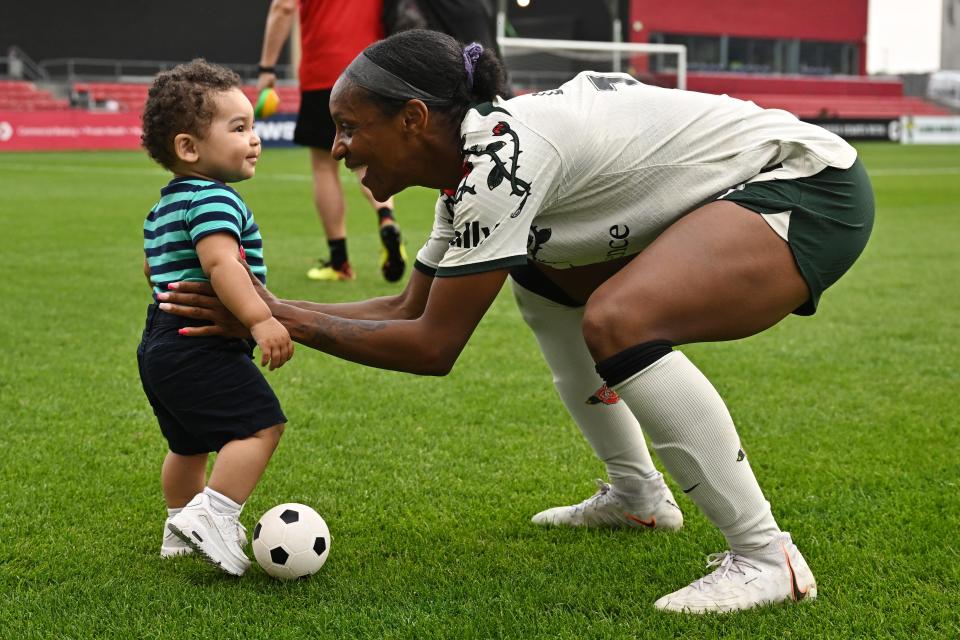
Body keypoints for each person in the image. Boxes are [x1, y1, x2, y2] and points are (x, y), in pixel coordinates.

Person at [158, 30, 874, 612]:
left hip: (807, 187)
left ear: (413, 117)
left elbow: (432, 346)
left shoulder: (500, 163)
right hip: (738, 191)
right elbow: (408, 308)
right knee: (543, 282)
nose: (339, 148)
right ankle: (637, 497)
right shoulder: (473, 170)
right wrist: (268, 313)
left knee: (622, 320)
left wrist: (276, 318)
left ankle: (763, 556)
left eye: (350, 128)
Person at [139, 59, 293, 576]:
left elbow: (151, 266)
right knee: (260, 428)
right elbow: (222, 264)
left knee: (187, 444)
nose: (255, 139)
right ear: (189, 148)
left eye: (252, 126)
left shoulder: (164, 206)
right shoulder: (214, 198)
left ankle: (178, 528)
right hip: (202, 341)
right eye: (239, 128)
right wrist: (259, 319)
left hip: (160, 340)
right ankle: (216, 514)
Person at [257, 0, 407, 282]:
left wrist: (267, 67)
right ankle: (386, 215)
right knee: (367, 159)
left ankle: (340, 262)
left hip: (324, 72)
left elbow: (283, 7)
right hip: (372, 69)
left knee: (324, 167)